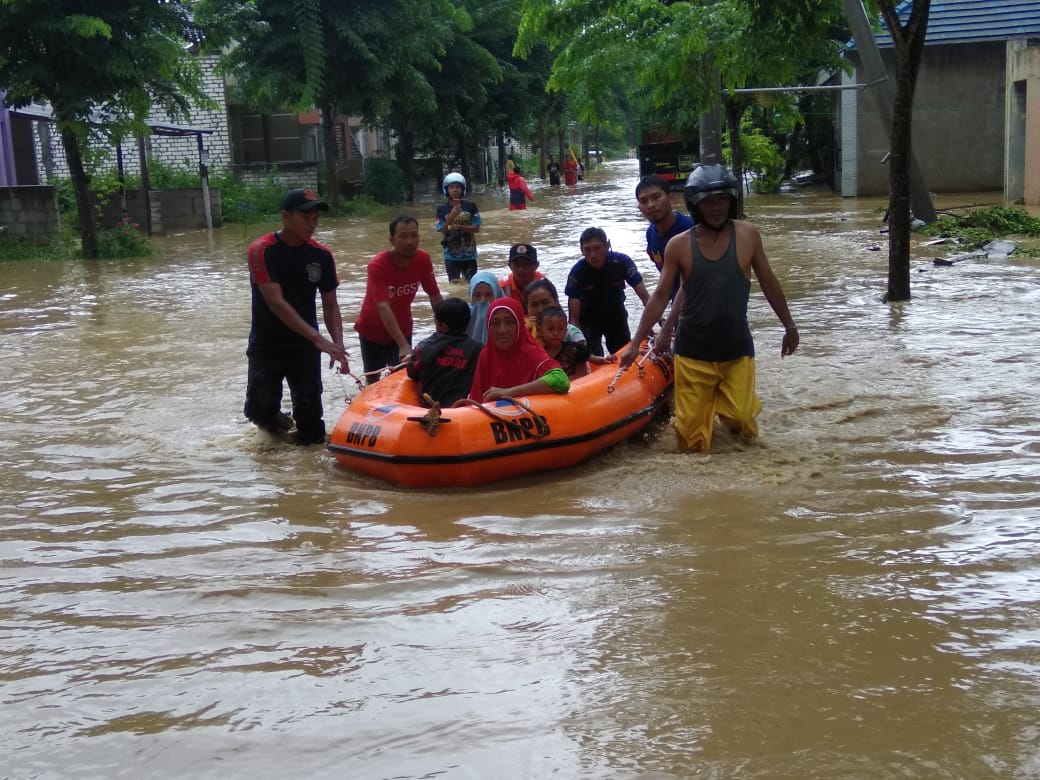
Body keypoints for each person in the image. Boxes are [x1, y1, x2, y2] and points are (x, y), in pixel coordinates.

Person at [620, 164, 799, 452]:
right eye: (707, 202)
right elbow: (661, 295)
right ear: (696, 205)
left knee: (742, 425)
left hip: (736, 348)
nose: (715, 208)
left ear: (732, 201)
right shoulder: (678, 245)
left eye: (721, 200)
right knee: (692, 444)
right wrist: (636, 342)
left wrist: (789, 326)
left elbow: (768, 281)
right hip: (693, 352)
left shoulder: (748, 235)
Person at [244, 188, 349, 445]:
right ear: (285, 216)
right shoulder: (262, 250)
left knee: (311, 423)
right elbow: (276, 302)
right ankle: (280, 426)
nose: (312, 224)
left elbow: (331, 305)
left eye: (315, 218)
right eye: (305, 217)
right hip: (267, 344)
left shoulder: (321, 255)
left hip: (304, 347)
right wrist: (319, 340)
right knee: (259, 409)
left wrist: (338, 345)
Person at [354, 215, 443, 383]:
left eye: (414, 235)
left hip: (403, 327)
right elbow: (383, 308)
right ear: (392, 240)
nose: (410, 241)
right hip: (372, 331)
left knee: (403, 379)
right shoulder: (377, 265)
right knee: (373, 379)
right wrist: (402, 344)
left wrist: (447, 329)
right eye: (403, 236)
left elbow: (435, 295)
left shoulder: (423, 259)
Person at [565, 226, 650, 356]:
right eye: (587, 250)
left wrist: (656, 321)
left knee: (623, 354)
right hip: (588, 319)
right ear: (581, 251)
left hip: (616, 315)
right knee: (593, 356)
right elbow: (574, 318)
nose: (593, 255)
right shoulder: (577, 273)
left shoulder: (622, 262)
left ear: (607, 245)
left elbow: (645, 298)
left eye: (597, 248)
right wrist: (578, 344)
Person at [468, 297, 570, 402]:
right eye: (495, 323)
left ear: (519, 326)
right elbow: (476, 397)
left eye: (509, 322)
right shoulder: (486, 354)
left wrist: (508, 392)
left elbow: (561, 381)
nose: (502, 330)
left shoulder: (531, 353)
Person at [406, 297, 482, 408]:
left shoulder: (424, 348)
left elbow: (411, 373)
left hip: (429, 411)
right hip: (463, 412)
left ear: (443, 326)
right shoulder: (478, 349)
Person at [637, 174, 693, 303]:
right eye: (644, 201)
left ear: (670, 198)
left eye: (656, 197)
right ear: (640, 208)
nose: (650, 205)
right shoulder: (651, 233)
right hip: (679, 308)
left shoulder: (691, 229)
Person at [434, 172, 482, 283]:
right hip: (451, 257)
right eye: (452, 187)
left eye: (458, 187)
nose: (455, 190)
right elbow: (443, 231)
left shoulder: (471, 206)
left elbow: (476, 228)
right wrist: (451, 217)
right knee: (454, 286)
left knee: (471, 284)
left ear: (462, 189)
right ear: (447, 189)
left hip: (469, 255)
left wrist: (460, 227)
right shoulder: (441, 209)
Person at [538, 305, 590, 379]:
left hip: (575, 387)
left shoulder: (575, 350)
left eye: (561, 329)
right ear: (540, 331)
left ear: (566, 331)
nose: (556, 333)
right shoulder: (537, 354)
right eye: (550, 329)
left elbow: (583, 375)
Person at [466, 271, 503, 344]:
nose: (483, 300)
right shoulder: (463, 316)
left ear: (496, 295)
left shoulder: (506, 316)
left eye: (488, 295)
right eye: (477, 295)